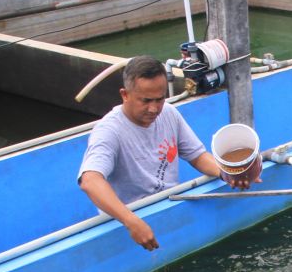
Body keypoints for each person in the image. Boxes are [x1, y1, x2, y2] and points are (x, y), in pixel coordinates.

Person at [77, 55, 252, 252]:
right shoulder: (109, 131)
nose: (154, 109)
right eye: (145, 101)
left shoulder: (168, 113)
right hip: (129, 221)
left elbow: (197, 156)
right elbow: (89, 180)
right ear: (125, 95)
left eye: (159, 99)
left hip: (168, 205)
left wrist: (227, 172)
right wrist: (130, 221)